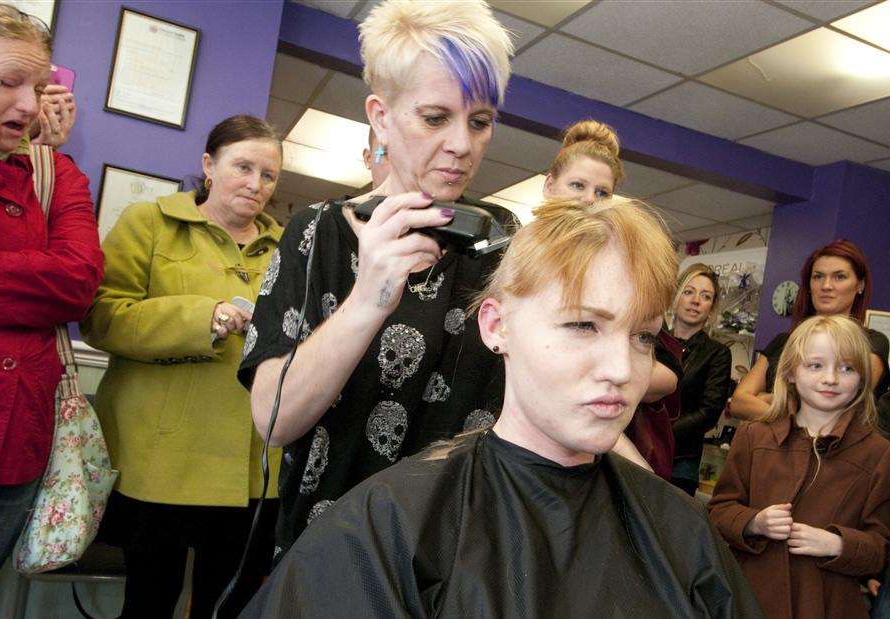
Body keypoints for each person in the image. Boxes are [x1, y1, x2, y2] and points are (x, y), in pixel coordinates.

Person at [241, 198, 762, 618]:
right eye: (583, 325)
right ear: (496, 326)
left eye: (643, 337)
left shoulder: (682, 534)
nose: (623, 370)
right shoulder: (393, 528)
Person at [239, 0, 515, 560]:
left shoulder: (505, 244)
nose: (463, 144)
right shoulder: (314, 234)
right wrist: (368, 298)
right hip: (329, 554)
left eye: (480, 121)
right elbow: (273, 421)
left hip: (460, 555)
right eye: (436, 118)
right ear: (382, 116)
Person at [80, 115, 284, 618]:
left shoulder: (292, 247)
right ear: (209, 166)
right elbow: (102, 318)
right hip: (160, 459)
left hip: (254, 469)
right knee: (148, 601)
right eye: (243, 167)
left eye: (269, 175)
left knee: (227, 605)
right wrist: (202, 318)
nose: (256, 185)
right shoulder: (148, 222)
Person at [0, 2, 103, 613]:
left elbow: (76, 284)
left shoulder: (56, 175)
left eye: (39, 86)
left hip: (8, 446)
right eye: (7, 82)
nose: (27, 105)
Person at [708, 314, 890, 618]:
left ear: (862, 379)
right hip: (751, 598)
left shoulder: (878, 453)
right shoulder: (754, 435)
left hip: (827, 604)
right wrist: (754, 522)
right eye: (815, 365)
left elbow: (879, 549)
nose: (830, 378)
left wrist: (838, 544)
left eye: (847, 368)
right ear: (791, 372)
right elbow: (719, 512)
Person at [542, 118, 682, 478]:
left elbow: (667, 375)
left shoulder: (626, 273)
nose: (589, 199)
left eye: (602, 192)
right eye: (578, 185)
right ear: (549, 186)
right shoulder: (518, 263)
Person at [731, 239, 888, 420]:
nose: (826, 286)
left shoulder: (871, 343)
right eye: (818, 276)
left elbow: (841, 410)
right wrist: (788, 412)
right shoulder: (783, 342)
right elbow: (738, 403)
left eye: (840, 276)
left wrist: (773, 401)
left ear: (859, 285)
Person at [666, 264, 732, 496]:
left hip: (682, 461)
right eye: (688, 292)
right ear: (675, 298)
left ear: (711, 309)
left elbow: (709, 412)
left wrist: (663, 431)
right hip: (638, 448)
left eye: (705, 297)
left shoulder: (717, 353)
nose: (696, 301)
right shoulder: (652, 341)